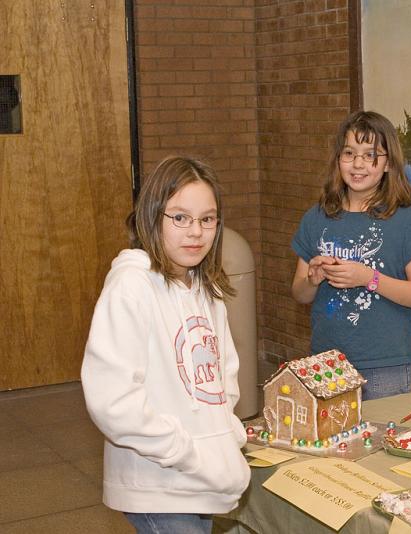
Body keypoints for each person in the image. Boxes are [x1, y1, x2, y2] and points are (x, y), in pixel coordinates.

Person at [81, 156, 250, 533]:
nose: (195, 232)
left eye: (207, 219)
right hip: (159, 482)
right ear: (153, 216)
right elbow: (113, 399)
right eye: (180, 218)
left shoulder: (207, 289)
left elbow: (224, 377)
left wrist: (225, 436)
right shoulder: (131, 286)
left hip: (202, 478)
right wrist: (187, 452)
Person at [291, 110, 411, 400]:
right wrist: (313, 278)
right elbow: (300, 294)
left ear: (388, 164)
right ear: (338, 160)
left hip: (385, 367)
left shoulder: (407, 221)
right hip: (327, 364)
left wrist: (368, 278)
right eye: (350, 153)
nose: (358, 164)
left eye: (371, 155)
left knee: (380, 443)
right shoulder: (317, 217)